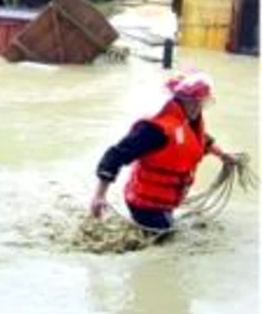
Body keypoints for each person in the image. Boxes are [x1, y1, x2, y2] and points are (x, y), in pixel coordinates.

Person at [89, 71, 240, 232]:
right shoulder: (154, 130)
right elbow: (115, 155)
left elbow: (200, 142)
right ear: (179, 100)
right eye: (192, 102)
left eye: (201, 102)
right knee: (167, 243)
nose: (197, 107)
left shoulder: (188, 122)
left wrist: (223, 155)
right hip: (144, 205)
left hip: (165, 203)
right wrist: (99, 196)